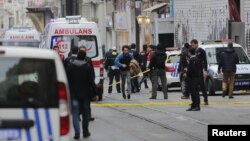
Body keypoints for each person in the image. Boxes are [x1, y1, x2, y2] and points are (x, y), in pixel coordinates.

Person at [66, 50, 97, 139]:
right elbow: (91, 81)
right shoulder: (87, 67)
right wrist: (95, 93)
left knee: (75, 114)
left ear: (76, 56)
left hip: (74, 95)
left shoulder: (70, 67)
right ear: (84, 57)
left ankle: (77, 133)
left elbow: (67, 80)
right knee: (85, 114)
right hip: (85, 95)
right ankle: (85, 131)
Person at [78, 46, 95, 121]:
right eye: (82, 51)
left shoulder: (88, 59)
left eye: (84, 51)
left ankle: (89, 116)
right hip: (78, 84)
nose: (83, 52)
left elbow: (92, 70)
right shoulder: (76, 60)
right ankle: (78, 116)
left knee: (87, 102)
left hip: (87, 84)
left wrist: (92, 79)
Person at [191, 39, 209, 105]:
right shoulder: (192, 51)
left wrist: (205, 70)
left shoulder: (201, 51)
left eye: (193, 45)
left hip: (199, 70)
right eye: (191, 45)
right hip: (194, 71)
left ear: (196, 44)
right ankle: (195, 101)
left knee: (202, 86)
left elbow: (205, 61)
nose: (192, 46)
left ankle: (205, 99)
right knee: (194, 87)